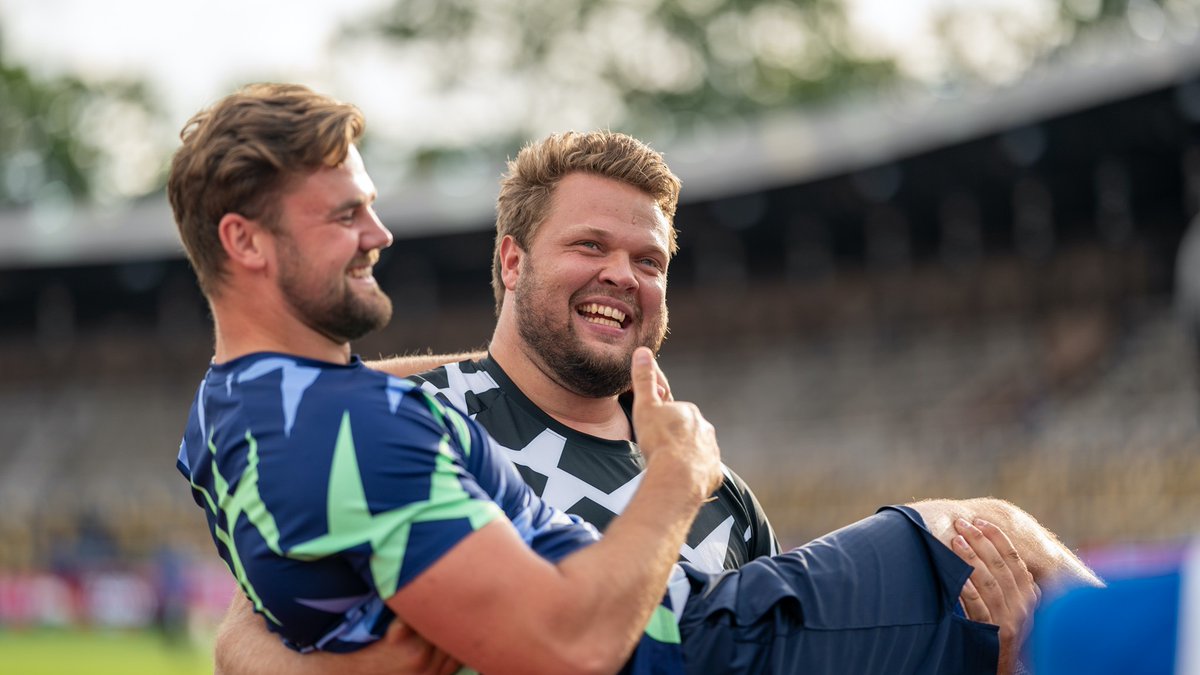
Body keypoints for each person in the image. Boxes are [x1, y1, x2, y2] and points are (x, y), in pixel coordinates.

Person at [171, 84, 1099, 674]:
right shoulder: (417, 412)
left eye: (648, 260)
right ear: (511, 262)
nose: (623, 273)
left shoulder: (722, 499)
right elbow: (248, 633)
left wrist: (995, 649)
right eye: (589, 245)